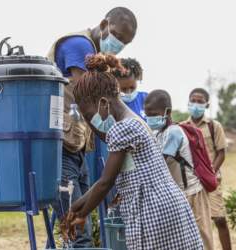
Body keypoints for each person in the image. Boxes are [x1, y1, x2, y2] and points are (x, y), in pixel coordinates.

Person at [66, 54, 203, 249]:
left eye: (89, 116)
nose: (90, 124)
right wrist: (76, 207)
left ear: (104, 104)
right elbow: (105, 179)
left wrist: (82, 215)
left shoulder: (122, 128)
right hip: (164, 206)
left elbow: (106, 183)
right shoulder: (135, 121)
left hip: (152, 211)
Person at [47, 7, 137, 247]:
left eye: (124, 43)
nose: (118, 45)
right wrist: (115, 137)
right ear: (104, 24)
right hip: (60, 146)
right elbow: (90, 96)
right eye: (117, 36)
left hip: (75, 145)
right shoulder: (79, 45)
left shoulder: (95, 54)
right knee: (79, 232)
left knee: (76, 215)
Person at [144, 89, 214, 250]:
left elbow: (158, 163)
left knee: (202, 237)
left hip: (192, 193)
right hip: (178, 194)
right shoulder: (158, 132)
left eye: (153, 113)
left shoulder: (174, 132)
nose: (150, 118)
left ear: (167, 112)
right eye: (147, 113)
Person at [183, 88, 232, 250]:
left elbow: (221, 153)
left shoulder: (214, 126)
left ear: (207, 104)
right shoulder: (183, 126)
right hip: (191, 181)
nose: (196, 105)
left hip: (211, 181)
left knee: (219, 218)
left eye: (200, 101)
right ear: (188, 102)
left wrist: (210, 172)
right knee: (195, 221)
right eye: (193, 101)